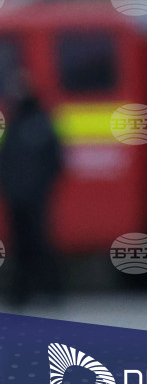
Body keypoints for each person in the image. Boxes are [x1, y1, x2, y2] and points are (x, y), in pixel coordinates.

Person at [0, 72, 65, 307]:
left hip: (35, 198)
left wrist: (40, 190)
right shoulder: (15, 124)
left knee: (39, 243)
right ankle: (21, 295)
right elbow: (6, 161)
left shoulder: (41, 123)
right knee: (20, 246)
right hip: (17, 198)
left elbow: (56, 163)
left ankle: (52, 292)